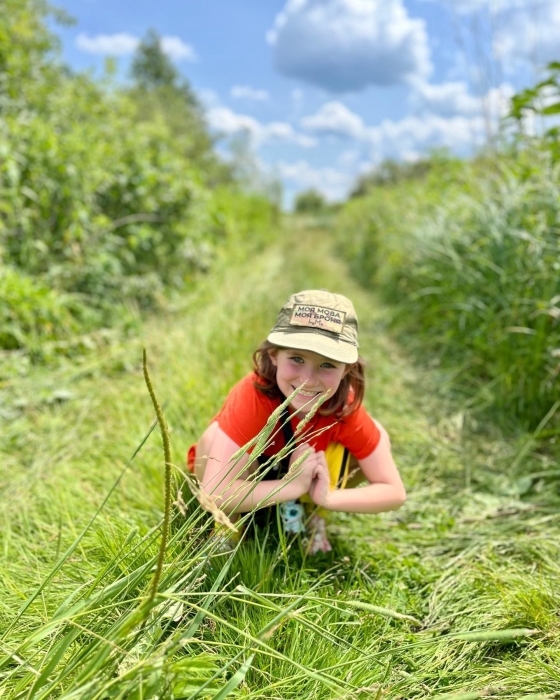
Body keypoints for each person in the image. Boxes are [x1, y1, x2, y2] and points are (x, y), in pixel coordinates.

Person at [187, 289, 406, 553]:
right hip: (251, 476)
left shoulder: (343, 406)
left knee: (377, 436)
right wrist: (288, 486)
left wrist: (327, 497)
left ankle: (313, 513)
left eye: (327, 365)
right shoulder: (254, 394)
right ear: (273, 355)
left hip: (308, 475)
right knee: (213, 439)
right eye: (297, 359)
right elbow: (214, 491)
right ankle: (227, 528)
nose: (308, 379)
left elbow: (393, 492)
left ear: (346, 368)